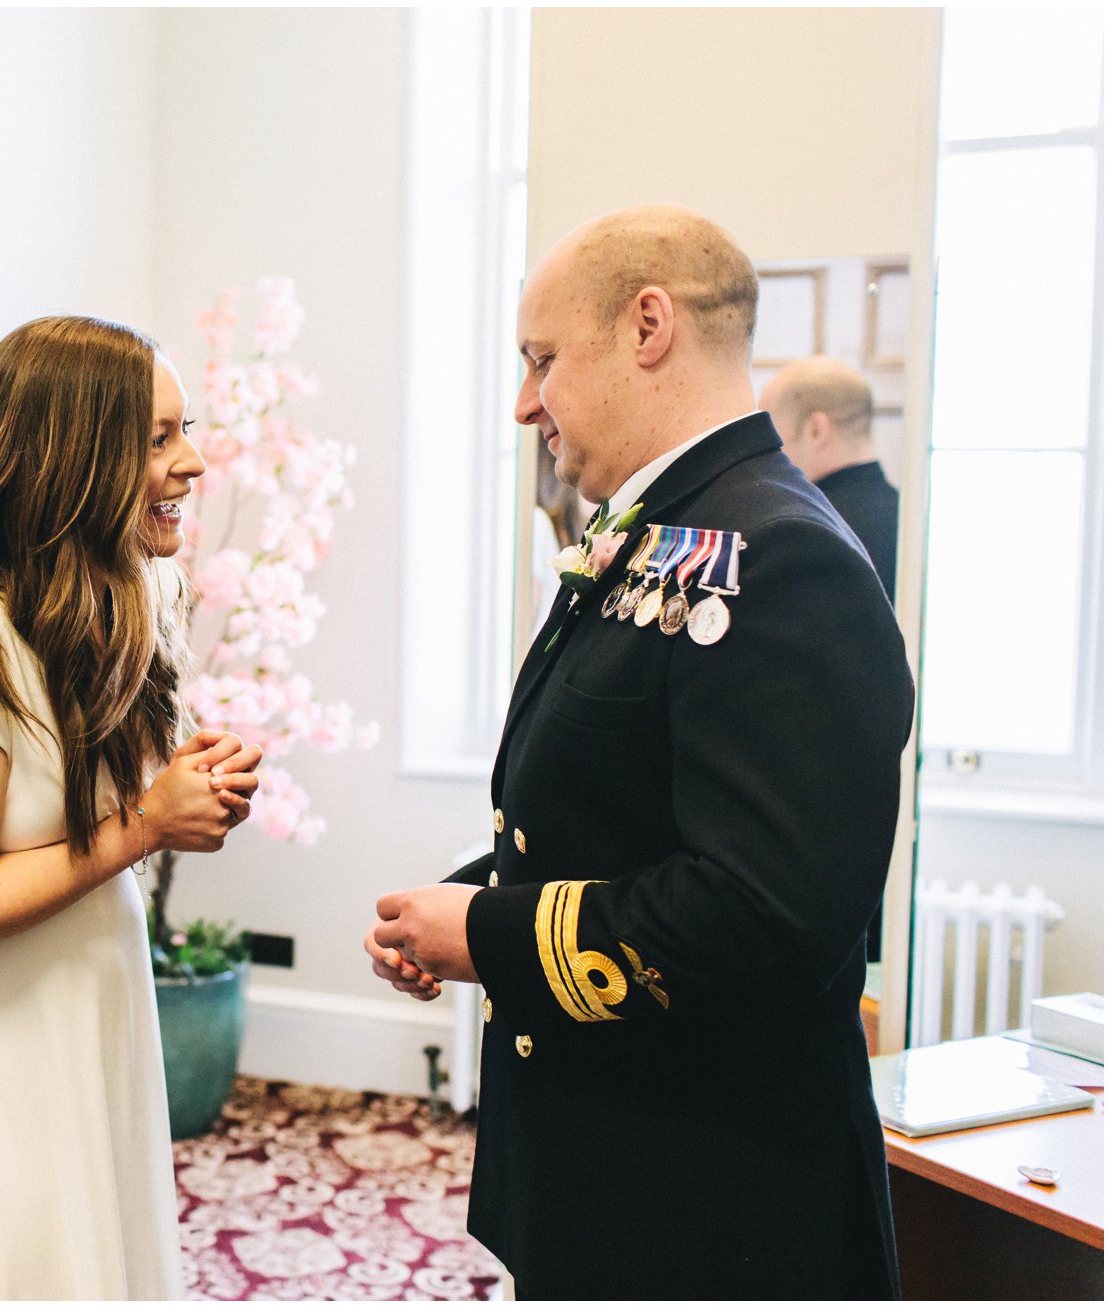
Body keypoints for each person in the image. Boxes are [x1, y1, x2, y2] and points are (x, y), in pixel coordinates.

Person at [364, 206, 914, 1299]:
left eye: (542, 360)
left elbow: (765, 913)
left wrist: (486, 931)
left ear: (647, 326)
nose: (527, 403)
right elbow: (626, 818)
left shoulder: (782, 557)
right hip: (609, 1163)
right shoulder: (669, 530)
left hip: (710, 1196)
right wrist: (465, 898)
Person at [0, 316, 262, 1299]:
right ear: (70, 458)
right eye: (156, 438)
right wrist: (148, 823)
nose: (192, 463)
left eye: (182, 430)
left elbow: (81, 812)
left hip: (82, 1012)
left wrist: (189, 789)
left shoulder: (120, 605)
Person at [763, 355, 900, 598]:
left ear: (817, 429)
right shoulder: (912, 518)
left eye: (773, 434)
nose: (767, 451)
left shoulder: (807, 530)